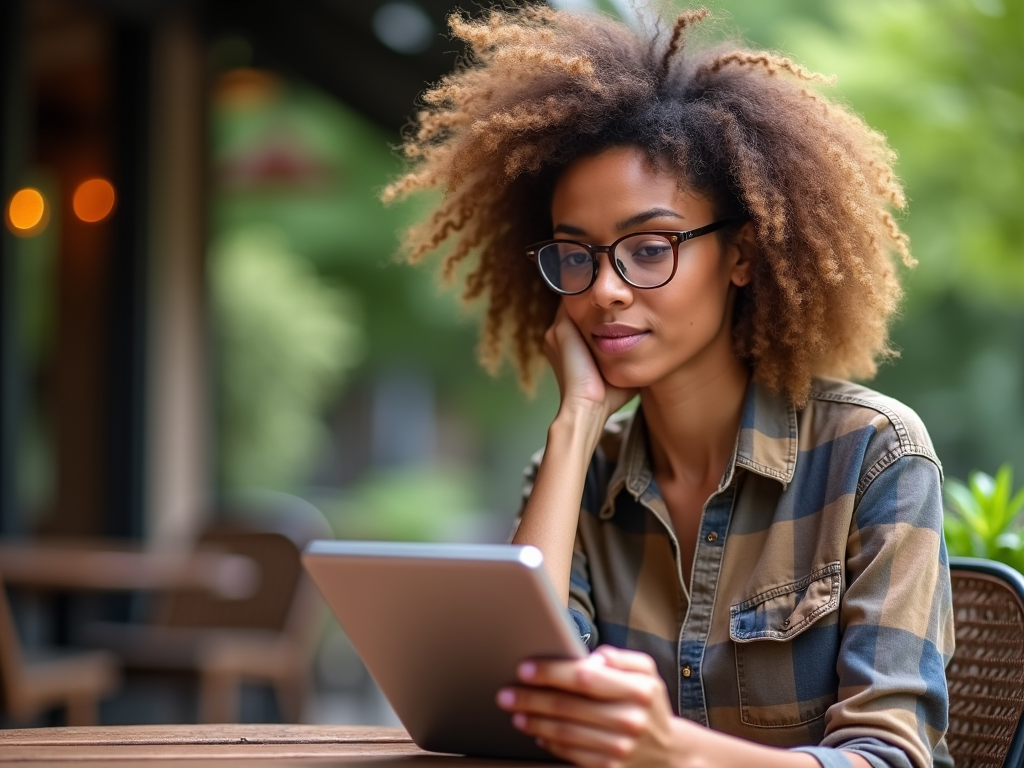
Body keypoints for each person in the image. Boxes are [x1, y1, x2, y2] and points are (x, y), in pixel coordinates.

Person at [384, 6, 954, 768]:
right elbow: (513, 712)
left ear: (743, 255)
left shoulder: (873, 459)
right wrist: (576, 422)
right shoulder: (580, 475)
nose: (605, 290)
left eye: (648, 248)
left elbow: (891, 759)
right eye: (576, 255)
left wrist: (673, 751)